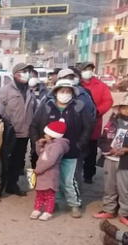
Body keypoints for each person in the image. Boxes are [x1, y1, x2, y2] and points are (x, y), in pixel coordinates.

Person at [30, 79, 90, 218]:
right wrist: (37, 142)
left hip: (71, 151)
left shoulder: (79, 106)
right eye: (62, 91)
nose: (65, 94)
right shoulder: (46, 106)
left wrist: (80, 144)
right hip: (50, 152)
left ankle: (74, 204)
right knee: (53, 179)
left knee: (69, 180)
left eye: (68, 91)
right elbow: (34, 125)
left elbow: (88, 127)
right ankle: (54, 202)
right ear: (56, 92)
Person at [0, 63, 37, 196]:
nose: (26, 74)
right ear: (15, 74)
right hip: (9, 133)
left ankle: (13, 185)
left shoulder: (30, 90)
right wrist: (6, 123)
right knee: (4, 161)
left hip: (25, 133)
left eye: (28, 71)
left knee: (18, 161)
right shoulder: (5, 91)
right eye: (23, 71)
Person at [94, 97, 128, 225]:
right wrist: (109, 149)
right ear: (119, 108)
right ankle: (109, 209)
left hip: (125, 161)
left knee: (125, 188)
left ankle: (125, 213)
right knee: (109, 186)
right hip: (110, 158)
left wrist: (126, 149)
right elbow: (102, 140)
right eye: (124, 107)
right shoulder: (112, 123)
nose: (126, 110)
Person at [80, 62, 114, 184]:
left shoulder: (100, 85)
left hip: (94, 124)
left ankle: (88, 175)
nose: (88, 71)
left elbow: (108, 101)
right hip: (77, 124)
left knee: (91, 151)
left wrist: (97, 111)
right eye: (85, 69)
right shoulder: (77, 84)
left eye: (90, 69)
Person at [31, 120, 69, 221]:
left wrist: (38, 170)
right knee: (39, 192)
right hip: (42, 173)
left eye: (46, 133)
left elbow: (50, 161)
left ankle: (48, 211)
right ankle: (37, 209)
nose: (44, 134)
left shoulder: (57, 146)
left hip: (49, 173)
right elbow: (41, 154)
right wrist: (39, 144)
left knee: (49, 194)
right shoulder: (49, 143)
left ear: (53, 134)